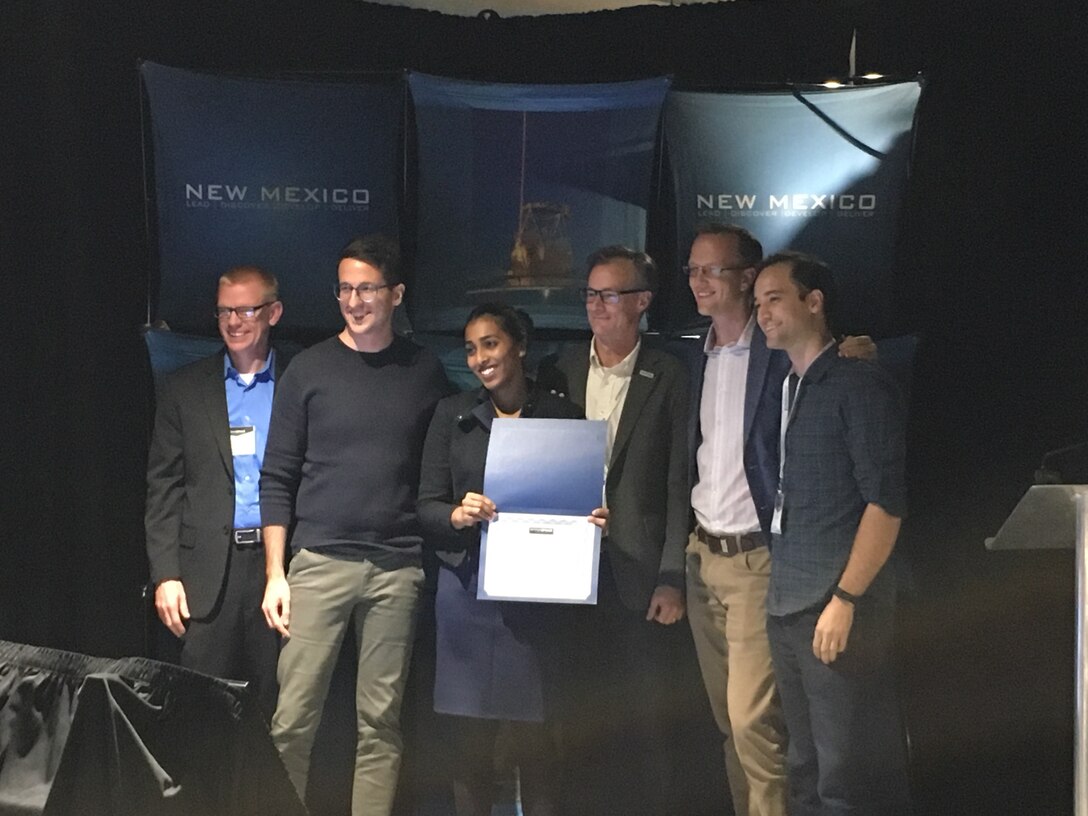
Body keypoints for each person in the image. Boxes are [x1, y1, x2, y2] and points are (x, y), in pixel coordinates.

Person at [682, 223, 876, 816]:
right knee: (730, 724)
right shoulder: (692, 354)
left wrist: (853, 350)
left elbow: (829, 363)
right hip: (700, 558)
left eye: (712, 270)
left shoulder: (778, 353)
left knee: (753, 722)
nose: (698, 282)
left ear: (746, 276)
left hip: (758, 558)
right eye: (692, 271)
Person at [259, 235, 448, 816]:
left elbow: (442, 466)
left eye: (366, 288)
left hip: (398, 568)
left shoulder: (424, 370)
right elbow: (277, 476)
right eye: (345, 288)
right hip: (318, 564)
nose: (354, 300)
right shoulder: (308, 369)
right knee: (292, 720)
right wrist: (276, 574)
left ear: (397, 294)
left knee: (381, 725)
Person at [417, 302, 606, 816]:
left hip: (537, 603)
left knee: (538, 748)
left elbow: (582, 505)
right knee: (469, 751)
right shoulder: (452, 416)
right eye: (470, 349)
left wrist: (593, 519)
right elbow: (426, 507)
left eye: (491, 344)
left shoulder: (563, 416)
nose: (480, 358)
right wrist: (457, 514)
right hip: (466, 598)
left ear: (519, 346)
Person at [754, 252, 910, 816]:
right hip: (787, 603)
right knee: (805, 767)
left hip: (833, 604)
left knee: (844, 776)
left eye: (775, 299)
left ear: (814, 302)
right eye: (757, 302)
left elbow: (886, 503)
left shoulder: (857, 385)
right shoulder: (789, 385)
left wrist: (845, 598)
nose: (762, 313)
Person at [538, 246, 690, 816]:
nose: (596, 306)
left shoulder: (669, 373)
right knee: (569, 714)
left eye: (610, 294)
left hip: (639, 570)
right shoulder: (559, 369)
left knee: (644, 718)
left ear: (642, 302)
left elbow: (678, 482)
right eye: (590, 294)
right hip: (567, 571)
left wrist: (671, 575)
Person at [145, 264, 283, 717]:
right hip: (204, 575)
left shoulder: (299, 382)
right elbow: (164, 486)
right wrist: (166, 575)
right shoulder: (185, 388)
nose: (233, 321)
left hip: (279, 571)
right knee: (198, 713)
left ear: (273, 313)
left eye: (246, 310)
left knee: (276, 708)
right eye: (225, 311)